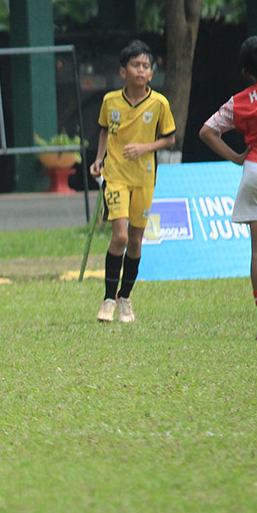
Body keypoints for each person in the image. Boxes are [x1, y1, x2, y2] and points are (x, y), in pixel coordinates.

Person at [199, 35, 257, 340]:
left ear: (245, 73)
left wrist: (237, 158)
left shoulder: (239, 101)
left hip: (256, 173)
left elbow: (207, 131)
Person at [89, 40, 176, 324]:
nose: (141, 70)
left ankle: (126, 299)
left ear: (151, 74)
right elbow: (104, 131)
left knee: (136, 241)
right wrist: (99, 159)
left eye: (146, 66)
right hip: (115, 176)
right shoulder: (110, 101)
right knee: (121, 236)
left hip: (144, 178)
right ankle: (108, 300)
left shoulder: (159, 103)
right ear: (123, 71)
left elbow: (170, 139)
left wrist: (145, 147)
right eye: (135, 65)